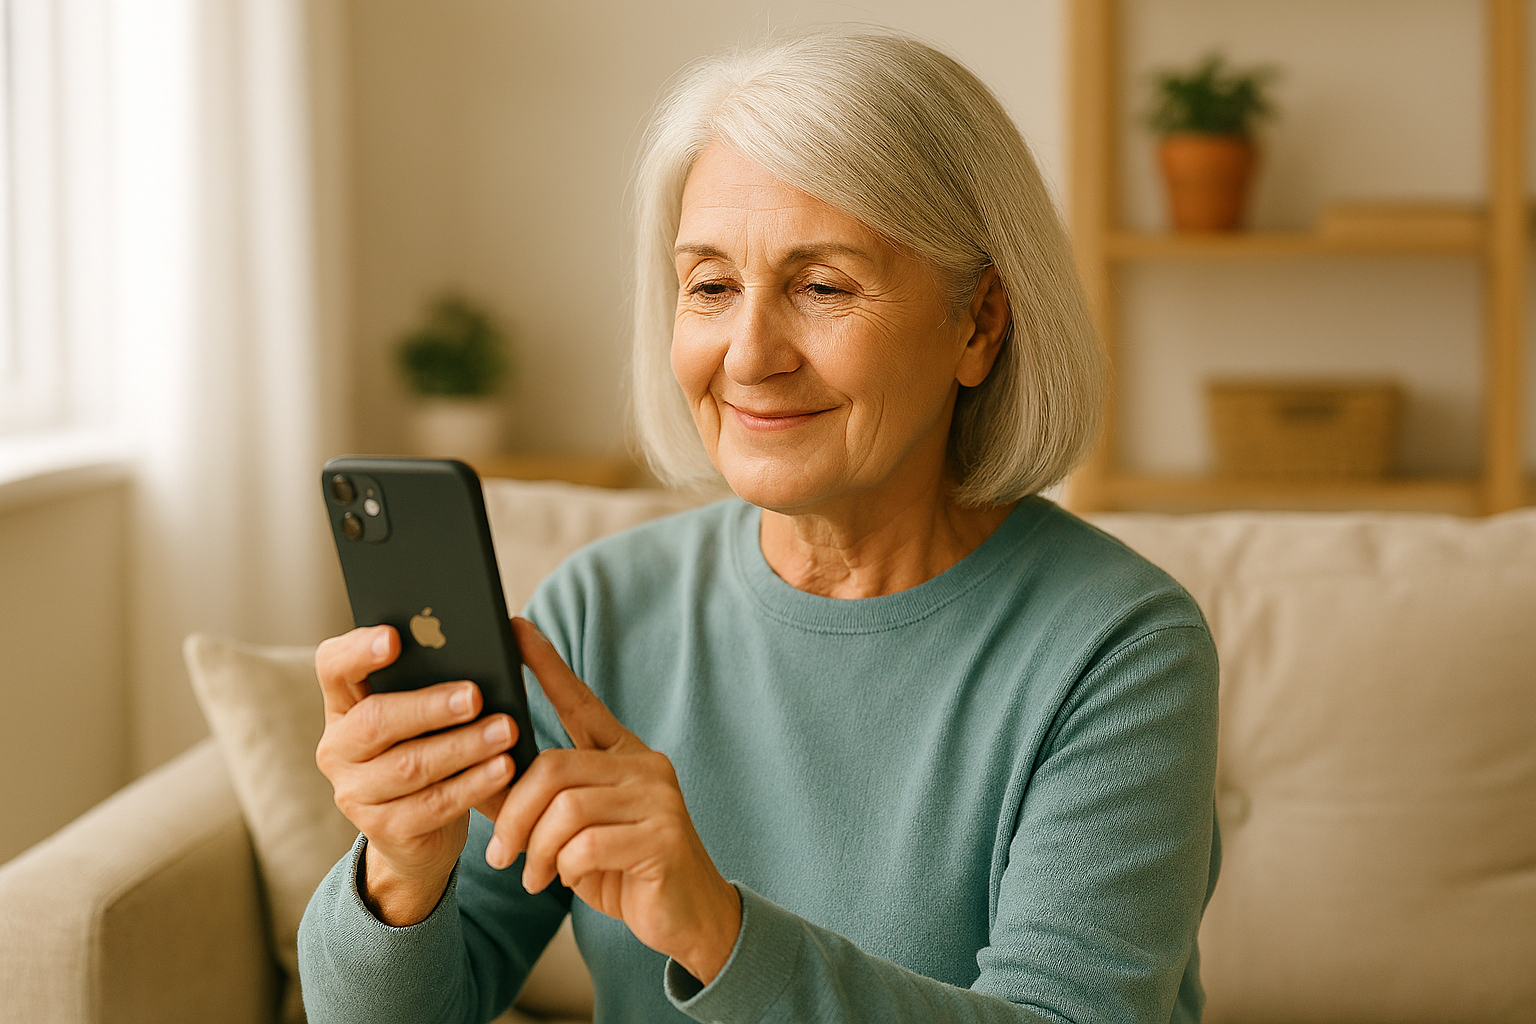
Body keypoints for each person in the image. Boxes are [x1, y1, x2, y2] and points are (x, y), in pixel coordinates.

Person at [299, 26, 1219, 1024]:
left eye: (822, 286)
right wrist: (400, 869)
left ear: (980, 323)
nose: (749, 354)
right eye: (711, 287)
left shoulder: (1120, 648)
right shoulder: (595, 616)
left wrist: (718, 933)